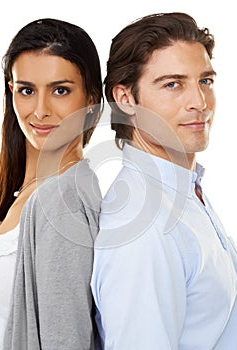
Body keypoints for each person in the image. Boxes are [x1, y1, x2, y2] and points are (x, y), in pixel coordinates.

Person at [91, 12, 237, 349]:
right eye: (173, 84)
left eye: (205, 81)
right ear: (126, 99)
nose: (200, 103)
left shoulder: (184, 191)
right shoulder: (143, 227)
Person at [0, 18, 103, 349]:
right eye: (27, 90)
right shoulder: (26, 193)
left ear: (91, 100)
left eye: (60, 90)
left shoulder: (62, 200)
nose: (40, 111)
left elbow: (64, 340)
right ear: (11, 91)